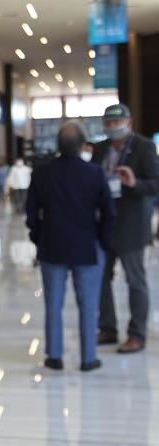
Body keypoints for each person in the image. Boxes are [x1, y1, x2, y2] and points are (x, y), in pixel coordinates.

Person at [26, 121, 115, 371]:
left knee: (53, 304)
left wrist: (38, 237)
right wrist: (103, 241)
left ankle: (54, 355)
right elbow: (109, 211)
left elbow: (31, 211)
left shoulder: (43, 172)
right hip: (87, 246)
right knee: (88, 305)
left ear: (58, 144)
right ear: (82, 145)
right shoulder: (94, 173)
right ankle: (88, 358)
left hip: (52, 246)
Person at [93, 103, 159, 353]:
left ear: (128, 123)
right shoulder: (100, 149)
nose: (112, 127)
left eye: (116, 123)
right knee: (101, 278)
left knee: (135, 280)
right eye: (108, 123)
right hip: (104, 224)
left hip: (132, 225)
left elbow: (155, 184)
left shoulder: (144, 147)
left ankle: (137, 334)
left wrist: (134, 182)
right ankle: (108, 328)